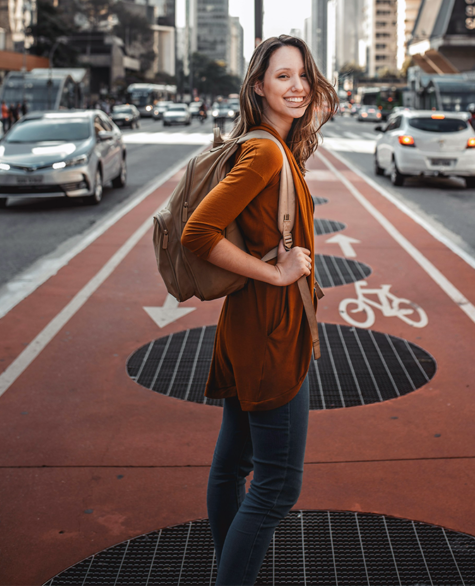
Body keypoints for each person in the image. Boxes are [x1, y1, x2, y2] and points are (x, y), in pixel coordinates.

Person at [181, 35, 338, 586]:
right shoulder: (266, 151)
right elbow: (199, 232)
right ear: (257, 87)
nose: (297, 87)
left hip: (248, 326)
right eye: (282, 77)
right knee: (276, 488)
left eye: (303, 76)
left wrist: (308, 106)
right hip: (273, 333)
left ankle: (228, 570)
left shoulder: (272, 143)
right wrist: (276, 271)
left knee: (232, 469)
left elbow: (318, 105)